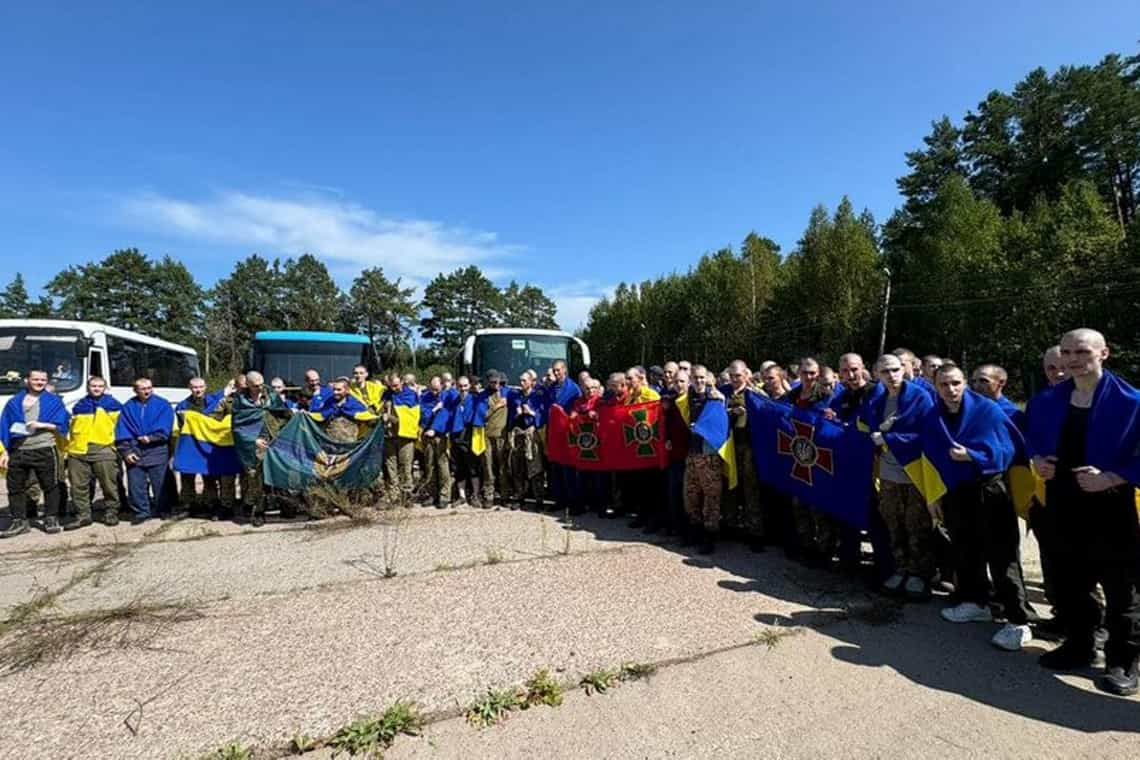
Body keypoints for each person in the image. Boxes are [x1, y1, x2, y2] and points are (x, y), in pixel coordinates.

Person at [1028, 329, 1140, 695]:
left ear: (1104, 352)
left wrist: (1112, 477)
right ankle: (1079, 644)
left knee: (1121, 587)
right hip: (1062, 501)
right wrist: (1037, 460)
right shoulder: (1048, 399)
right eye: (1066, 351)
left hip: (1110, 504)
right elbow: (1032, 438)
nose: (1073, 358)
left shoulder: (1131, 401)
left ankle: (1123, 659)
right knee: (1070, 580)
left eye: (1081, 350)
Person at [932, 364, 1035, 652]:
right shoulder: (935, 415)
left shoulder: (987, 410)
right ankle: (974, 601)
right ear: (936, 386)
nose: (950, 390)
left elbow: (1010, 448)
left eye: (955, 383)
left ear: (963, 383)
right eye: (943, 385)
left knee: (1002, 554)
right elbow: (930, 447)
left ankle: (1018, 619)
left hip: (990, 488)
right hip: (956, 490)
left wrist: (974, 456)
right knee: (965, 547)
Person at [862, 354, 936, 598]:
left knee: (917, 524)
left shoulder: (919, 397)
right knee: (893, 522)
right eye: (885, 371)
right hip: (887, 472)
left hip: (914, 470)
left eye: (895, 369)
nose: (891, 375)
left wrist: (890, 438)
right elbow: (866, 426)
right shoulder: (876, 399)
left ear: (903, 370)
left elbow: (928, 435)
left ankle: (920, 573)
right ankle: (901, 567)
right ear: (877, 374)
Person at [825, 353, 892, 583]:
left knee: (876, 517)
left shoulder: (878, 392)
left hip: (874, 465)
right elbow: (830, 422)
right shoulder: (840, 396)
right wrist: (829, 418)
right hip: (849, 464)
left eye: (854, 369)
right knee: (848, 511)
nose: (850, 375)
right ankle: (848, 561)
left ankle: (884, 567)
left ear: (863, 368)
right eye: (845, 371)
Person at [0, 369, 70, 537]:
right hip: (18, 450)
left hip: (45, 448)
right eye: (36, 379)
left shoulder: (54, 401)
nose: (40, 382)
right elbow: (4, 427)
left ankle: (51, 518)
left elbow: (62, 424)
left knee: (50, 485)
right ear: (27, 380)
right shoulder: (14, 402)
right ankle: (19, 521)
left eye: (43, 379)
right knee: (15, 487)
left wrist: (41, 424)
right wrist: (4, 452)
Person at [785, 358, 838, 562]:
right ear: (799, 373)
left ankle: (825, 549)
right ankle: (805, 544)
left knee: (819, 506)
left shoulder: (826, 396)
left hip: (818, 457)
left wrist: (832, 418)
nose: (809, 377)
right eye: (805, 373)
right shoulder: (793, 395)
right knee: (799, 503)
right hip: (798, 455)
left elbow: (835, 424)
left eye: (813, 373)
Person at [65, 375, 123, 529]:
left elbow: (121, 429)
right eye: (93, 386)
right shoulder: (79, 406)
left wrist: (117, 447)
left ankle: (111, 512)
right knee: (78, 486)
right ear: (88, 387)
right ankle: (83, 515)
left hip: (103, 448)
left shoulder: (113, 405)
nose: (96, 388)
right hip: (78, 450)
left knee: (109, 484)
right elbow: (71, 428)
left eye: (99, 386)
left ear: (105, 388)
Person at [115, 377, 174, 525]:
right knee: (136, 484)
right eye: (143, 389)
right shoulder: (128, 407)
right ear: (136, 390)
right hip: (135, 449)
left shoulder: (162, 404)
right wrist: (126, 451)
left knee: (161, 483)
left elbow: (166, 425)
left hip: (157, 448)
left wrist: (153, 437)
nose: (147, 391)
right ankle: (142, 511)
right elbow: (122, 429)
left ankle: (164, 509)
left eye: (149, 388)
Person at [175, 377, 236, 518]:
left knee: (209, 477)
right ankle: (189, 505)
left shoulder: (214, 403)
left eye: (201, 387)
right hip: (191, 447)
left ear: (205, 387)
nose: (198, 390)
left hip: (208, 446)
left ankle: (211, 504)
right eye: (195, 387)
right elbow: (181, 427)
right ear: (189, 388)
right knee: (187, 476)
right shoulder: (182, 406)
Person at [683, 365, 725, 554]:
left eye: (701, 378)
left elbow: (721, 425)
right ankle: (694, 531)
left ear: (707, 378)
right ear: (690, 378)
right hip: (692, 452)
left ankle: (710, 535)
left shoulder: (714, 398)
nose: (698, 381)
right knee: (690, 493)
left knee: (711, 496)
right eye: (695, 378)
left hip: (709, 454)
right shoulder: (687, 397)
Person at [725, 359, 764, 552]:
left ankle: (755, 532)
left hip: (749, 446)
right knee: (731, 486)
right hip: (729, 446)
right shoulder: (723, 392)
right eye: (731, 376)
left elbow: (768, 412)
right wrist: (731, 411)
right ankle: (731, 526)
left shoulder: (755, 394)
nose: (734, 379)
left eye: (738, 375)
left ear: (746, 375)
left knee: (750, 489)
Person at [622, 366, 662, 531]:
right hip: (637, 447)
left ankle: (654, 520)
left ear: (640, 378)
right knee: (639, 484)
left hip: (650, 448)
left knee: (651, 485)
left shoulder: (651, 395)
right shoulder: (629, 398)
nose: (628, 382)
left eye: (630, 378)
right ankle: (642, 515)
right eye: (626, 378)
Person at [546, 359, 582, 512]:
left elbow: (579, 409)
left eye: (558, 370)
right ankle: (559, 500)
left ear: (565, 370)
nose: (556, 373)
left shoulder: (574, 389)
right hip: (554, 433)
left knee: (569, 470)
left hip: (568, 433)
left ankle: (574, 503)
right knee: (556, 469)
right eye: (554, 370)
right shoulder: (551, 388)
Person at [507, 370, 545, 508]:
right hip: (518, 434)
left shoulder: (537, 396)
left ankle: (538, 499)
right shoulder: (516, 396)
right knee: (518, 467)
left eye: (524, 381)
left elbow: (543, 414)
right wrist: (516, 415)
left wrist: (531, 413)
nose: (521, 383)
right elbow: (510, 415)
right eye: (520, 380)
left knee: (535, 467)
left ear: (531, 382)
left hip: (531, 434)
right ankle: (519, 496)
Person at [380, 372, 418, 507]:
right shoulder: (386, 394)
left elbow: (410, 416)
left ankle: (407, 495)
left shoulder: (410, 395)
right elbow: (381, 408)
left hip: (405, 436)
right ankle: (394, 495)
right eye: (391, 386)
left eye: (396, 385)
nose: (394, 388)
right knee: (391, 466)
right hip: (389, 436)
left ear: (402, 382)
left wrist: (390, 417)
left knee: (406, 465)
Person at [661, 369, 690, 533]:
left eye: (682, 381)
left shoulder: (694, 401)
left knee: (690, 495)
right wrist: (667, 440)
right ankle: (675, 526)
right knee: (674, 492)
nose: (679, 385)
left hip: (692, 454)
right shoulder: (670, 402)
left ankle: (689, 529)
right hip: (675, 455)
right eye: (676, 382)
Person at [418, 375, 453, 509]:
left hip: (441, 436)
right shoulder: (425, 397)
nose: (435, 392)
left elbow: (447, 414)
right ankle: (432, 494)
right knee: (429, 465)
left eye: (437, 389)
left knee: (442, 465)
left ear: (442, 386)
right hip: (427, 435)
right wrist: (434, 410)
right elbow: (423, 415)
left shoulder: (447, 396)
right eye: (432, 389)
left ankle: (445, 496)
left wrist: (435, 427)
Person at [478, 370, 510, 507]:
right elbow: (480, 416)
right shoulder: (482, 396)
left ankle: (505, 495)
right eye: (493, 382)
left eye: (498, 382)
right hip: (487, 435)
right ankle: (489, 494)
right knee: (488, 465)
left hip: (502, 435)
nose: (496, 385)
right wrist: (496, 407)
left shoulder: (507, 392)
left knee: (503, 465)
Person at [448, 375, 481, 506]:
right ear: (457, 386)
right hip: (456, 439)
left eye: (465, 386)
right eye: (460, 386)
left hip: (469, 438)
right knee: (458, 469)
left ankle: (475, 496)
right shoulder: (454, 401)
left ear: (469, 386)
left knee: (473, 469)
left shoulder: (474, 400)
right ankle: (462, 497)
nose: (463, 389)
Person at [971, 363, 1026, 431]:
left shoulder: (1011, 414)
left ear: (1001, 382)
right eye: (974, 381)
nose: (976, 386)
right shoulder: (971, 410)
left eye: (983, 381)